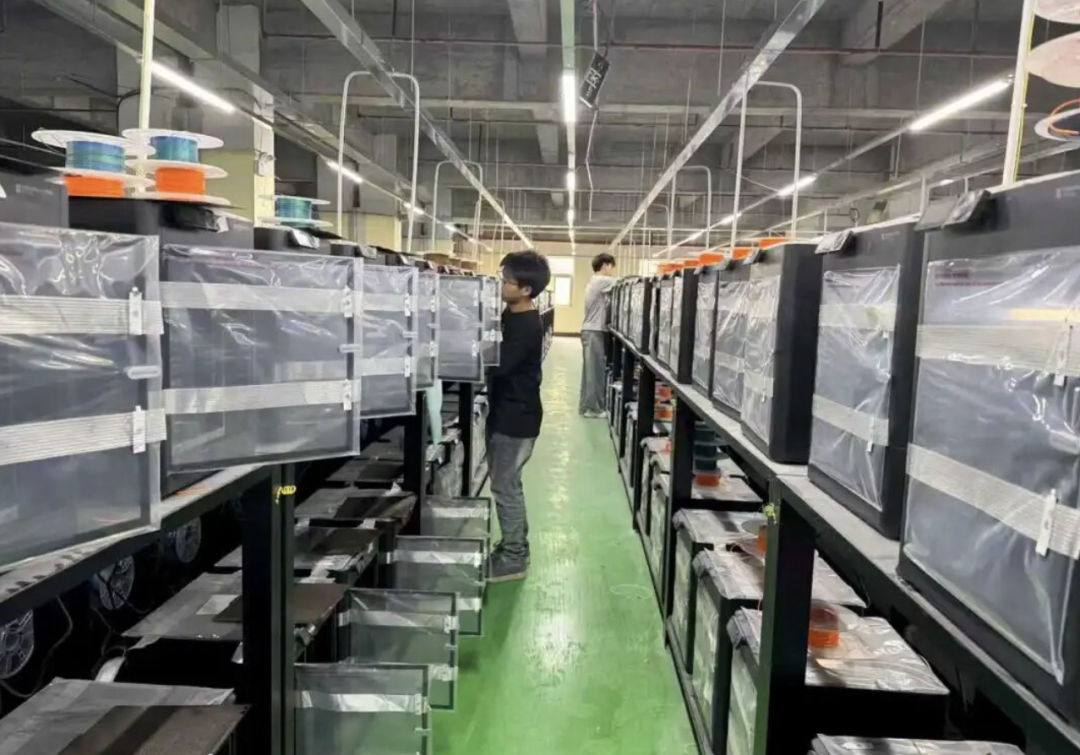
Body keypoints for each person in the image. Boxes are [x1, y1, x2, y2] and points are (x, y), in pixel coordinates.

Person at [486, 250, 551, 583]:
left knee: (505, 488)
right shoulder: (513, 314)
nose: (501, 284)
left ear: (526, 289)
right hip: (508, 412)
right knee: (508, 484)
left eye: (506, 280)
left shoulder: (526, 326)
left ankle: (514, 558)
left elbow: (496, 366)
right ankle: (514, 547)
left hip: (515, 419)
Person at [579, 252, 617, 418]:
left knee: (590, 371)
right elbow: (623, 282)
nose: (612, 271)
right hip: (594, 331)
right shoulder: (602, 280)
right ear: (604, 266)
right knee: (595, 372)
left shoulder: (594, 281)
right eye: (611, 267)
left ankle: (586, 406)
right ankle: (593, 409)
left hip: (591, 331)